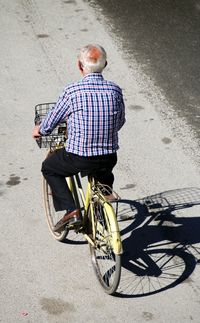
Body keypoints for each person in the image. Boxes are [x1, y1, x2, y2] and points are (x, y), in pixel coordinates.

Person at [32, 44, 125, 232]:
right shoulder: (115, 90)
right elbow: (120, 121)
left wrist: (40, 130)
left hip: (80, 157)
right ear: (105, 64)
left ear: (79, 65)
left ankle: (72, 210)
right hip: (108, 155)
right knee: (104, 175)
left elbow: (51, 121)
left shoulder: (72, 91)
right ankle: (102, 209)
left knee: (49, 168)